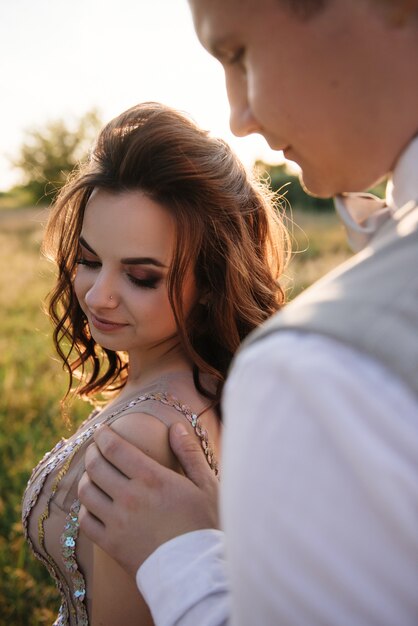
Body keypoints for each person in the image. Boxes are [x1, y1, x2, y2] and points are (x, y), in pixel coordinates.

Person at [78, 1, 418, 625]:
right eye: (88, 259)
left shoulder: (319, 365)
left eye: (239, 54)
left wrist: (183, 556)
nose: (237, 118)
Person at [22, 101, 287, 625]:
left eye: (140, 277)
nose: (98, 297)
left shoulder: (145, 439)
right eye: (90, 261)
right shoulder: (218, 385)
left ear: (211, 284)